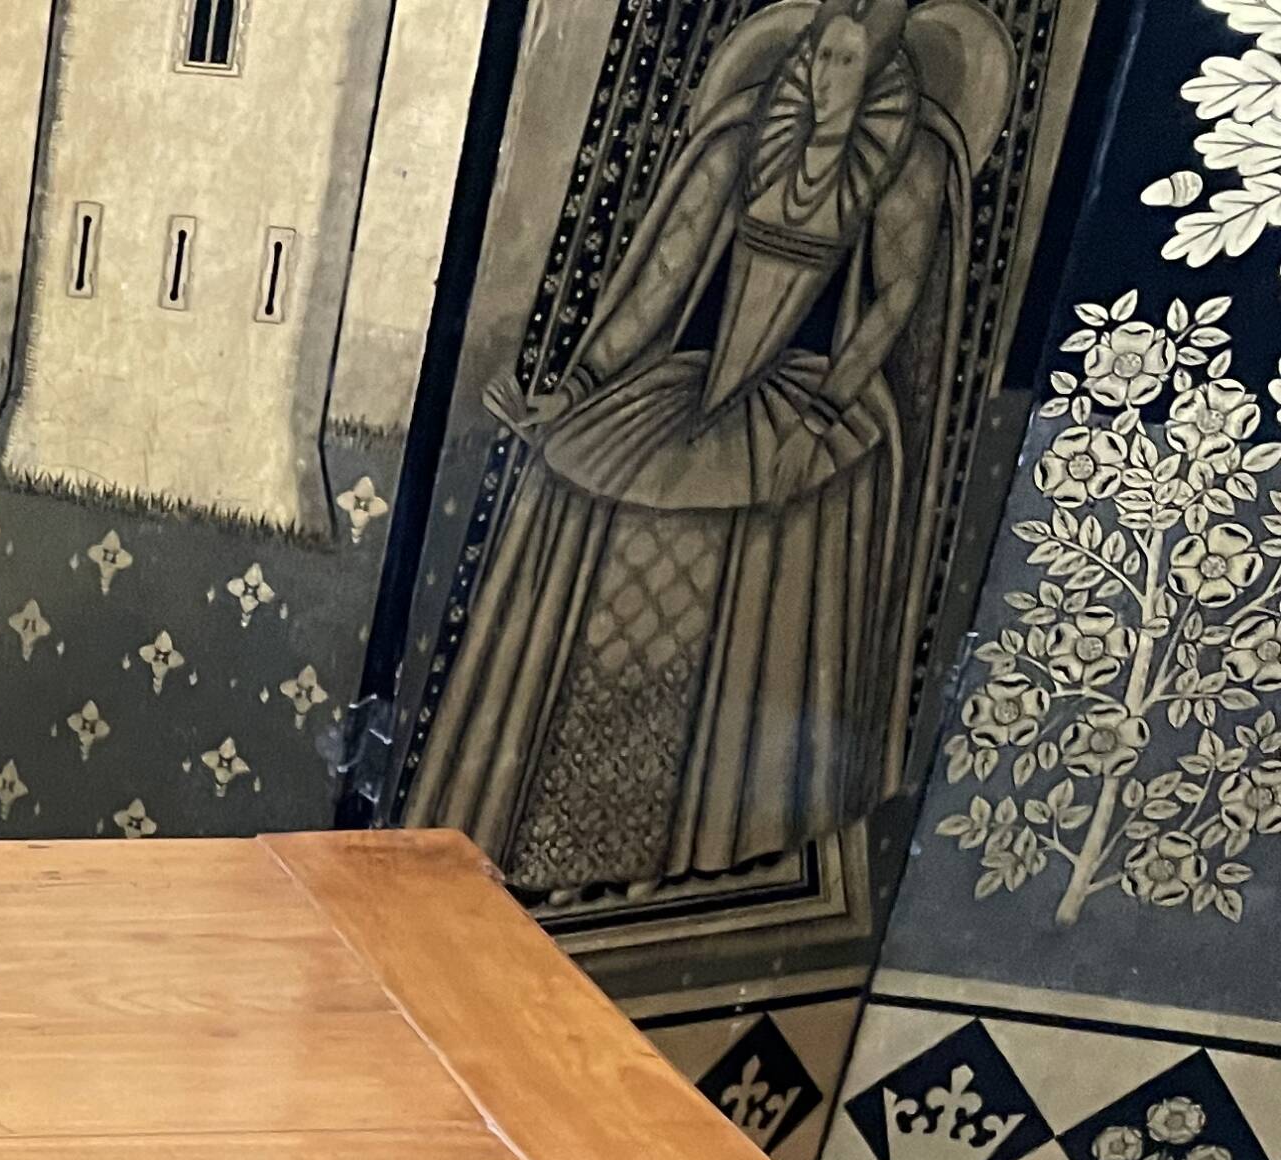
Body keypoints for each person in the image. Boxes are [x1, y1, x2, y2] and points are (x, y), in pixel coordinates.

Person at [411, 0, 1004, 897]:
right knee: (583, 492)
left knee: (771, 539)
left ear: (886, 76)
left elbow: (896, 300)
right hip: (696, 394)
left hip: (817, 403)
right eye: (819, 59)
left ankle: (716, 855)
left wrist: (826, 412)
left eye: (850, 65)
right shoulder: (742, 141)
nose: (826, 80)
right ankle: (548, 843)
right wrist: (572, 389)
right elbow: (660, 283)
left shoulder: (907, 160)